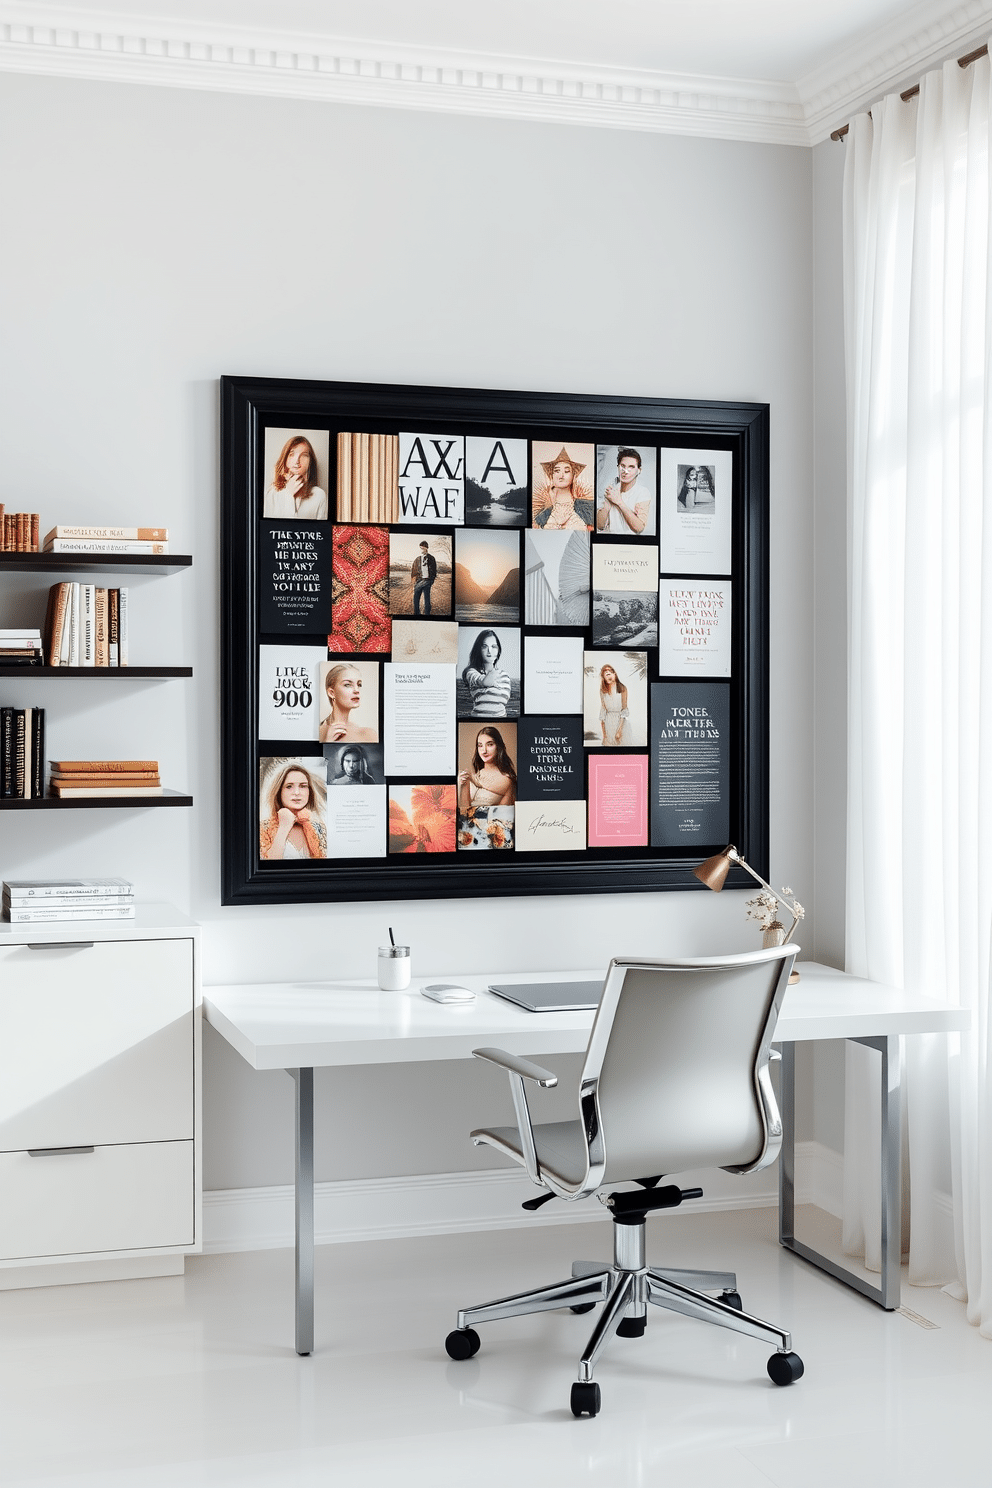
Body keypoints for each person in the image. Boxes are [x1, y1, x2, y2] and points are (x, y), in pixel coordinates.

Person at [259, 762, 326, 860]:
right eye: (289, 786)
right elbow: (266, 868)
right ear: (279, 791)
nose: (297, 792)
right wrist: (284, 827)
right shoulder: (262, 828)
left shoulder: (320, 828)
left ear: (309, 791)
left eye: (303, 786)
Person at [263, 435, 328, 520]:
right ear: (285, 459)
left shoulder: (319, 495)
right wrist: (288, 493)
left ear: (310, 462)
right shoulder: (272, 493)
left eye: (304, 455)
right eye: (291, 454)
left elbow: (320, 531)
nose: (297, 461)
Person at [533, 447, 594, 531]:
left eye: (567, 471)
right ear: (552, 476)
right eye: (557, 471)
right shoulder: (543, 513)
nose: (561, 476)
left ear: (573, 476)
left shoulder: (584, 506)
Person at [458, 726, 517, 814]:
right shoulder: (476, 774)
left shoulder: (507, 779)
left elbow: (501, 818)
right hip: (469, 825)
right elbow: (465, 812)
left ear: (498, 746)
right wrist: (464, 785)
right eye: (480, 745)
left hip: (492, 825)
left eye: (490, 744)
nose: (484, 751)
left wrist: (473, 779)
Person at [597, 448, 653, 534]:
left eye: (631, 467)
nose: (625, 471)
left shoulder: (643, 492)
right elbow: (599, 525)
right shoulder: (612, 489)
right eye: (622, 466)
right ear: (618, 468)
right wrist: (608, 503)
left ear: (639, 471)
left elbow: (639, 528)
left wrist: (619, 502)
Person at [319, 663, 377, 744]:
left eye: (359, 684)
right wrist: (327, 744)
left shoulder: (368, 734)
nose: (356, 690)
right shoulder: (319, 731)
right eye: (348, 685)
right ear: (332, 693)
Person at [462, 629, 512, 717]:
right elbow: (483, 681)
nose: (489, 650)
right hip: (478, 722)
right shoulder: (472, 672)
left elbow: (502, 705)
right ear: (479, 650)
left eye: (493, 646)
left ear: (498, 651)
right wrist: (490, 678)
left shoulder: (505, 676)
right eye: (484, 646)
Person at [599, 663, 632, 746]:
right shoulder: (603, 691)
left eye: (610, 673)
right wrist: (604, 735)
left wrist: (619, 730)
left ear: (614, 674)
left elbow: (624, 709)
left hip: (621, 723)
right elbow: (603, 710)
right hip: (608, 723)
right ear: (603, 677)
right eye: (606, 674)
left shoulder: (622, 688)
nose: (608, 675)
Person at [411, 539, 437, 616]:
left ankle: (427, 615)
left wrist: (431, 580)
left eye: (423, 548)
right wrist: (414, 580)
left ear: (426, 548)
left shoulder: (431, 558)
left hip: (427, 581)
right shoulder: (417, 559)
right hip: (419, 581)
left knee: (427, 600)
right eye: (420, 548)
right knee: (416, 598)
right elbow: (413, 570)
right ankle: (416, 614)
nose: (421, 549)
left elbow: (434, 571)